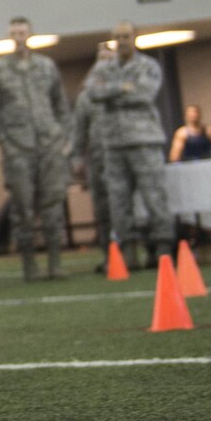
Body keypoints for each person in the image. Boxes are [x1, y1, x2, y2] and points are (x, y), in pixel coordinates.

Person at [0, 16, 72, 282]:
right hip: (18, 149)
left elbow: (61, 107)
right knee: (22, 208)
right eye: (14, 33)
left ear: (30, 34)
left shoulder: (46, 67)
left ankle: (55, 262)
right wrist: (6, 141)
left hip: (49, 146)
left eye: (23, 32)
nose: (19, 37)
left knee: (53, 204)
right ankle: (29, 264)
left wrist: (62, 137)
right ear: (9, 36)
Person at [88, 22, 171, 267]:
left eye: (126, 36)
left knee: (154, 195)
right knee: (118, 200)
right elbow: (92, 93)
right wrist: (122, 87)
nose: (122, 40)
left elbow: (144, 94)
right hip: (113, 143)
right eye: (117, 37)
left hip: (144, 141)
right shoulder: (103, 68)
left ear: (135, 38)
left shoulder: (148, 66)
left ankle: (162, 248)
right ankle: (126, 253)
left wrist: (110, 91)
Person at [71, 45, 115, 267]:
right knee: (103, 208)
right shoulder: (86, 97)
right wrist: (77, 158)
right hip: (98, 159)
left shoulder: (124, 90)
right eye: (102, 58)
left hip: (122, 155)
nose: (105, 62)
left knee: (128, 206)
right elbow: (79, 129)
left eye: (110, 58)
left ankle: (138, 253)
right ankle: (111, 255)